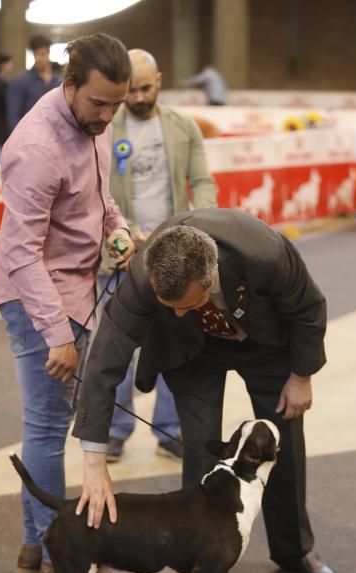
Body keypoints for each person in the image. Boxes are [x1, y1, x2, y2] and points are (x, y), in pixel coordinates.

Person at [73, 208, 340, 573]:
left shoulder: (262, 253)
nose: (176, 312)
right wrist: (94, 462)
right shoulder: (145, 278)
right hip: (191, 355)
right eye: (169, 305)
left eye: (185, 303)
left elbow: (308, 307)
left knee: (281, 443)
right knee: (200, 451)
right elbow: (102, 363)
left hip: (265, 346)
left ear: (209, 278)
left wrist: (301, 376)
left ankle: (295, 549)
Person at [0, 32, 138, 573]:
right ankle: (63, 560)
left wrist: (118, 230)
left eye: (116, 105)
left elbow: (101, 201)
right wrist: (57, 334)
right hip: (37, 298)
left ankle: (36, 544)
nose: (106, 116)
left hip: (78, 287)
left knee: (51, 424)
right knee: (50, 428)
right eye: (98, 103)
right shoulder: (35, 147)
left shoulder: (94, 125)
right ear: (68, 83)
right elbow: (19, 252)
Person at [100, 48, 217, 463]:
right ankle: (113, 431)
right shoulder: (105, 128)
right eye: (131, 89)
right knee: (116, 349)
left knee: (176, 344)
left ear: (160, 82)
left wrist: (189, 224)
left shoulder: (184, 127)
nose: (137, 97)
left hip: (174, 255)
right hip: (120, 254)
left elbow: (202, 182)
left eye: (146, 88)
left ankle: (170, 431)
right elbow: (95, 190)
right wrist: (127, 232)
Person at [6, 34, 61, 131]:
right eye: (36, 54)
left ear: (48, 53)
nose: (39, 58)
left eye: (42, 54)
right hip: (30, 135)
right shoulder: (20, 81)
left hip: (54, 136)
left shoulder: (58, 80)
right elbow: (13, 116)